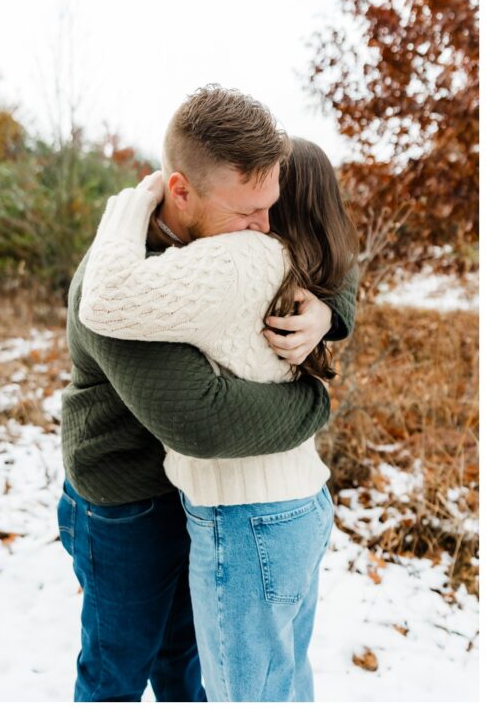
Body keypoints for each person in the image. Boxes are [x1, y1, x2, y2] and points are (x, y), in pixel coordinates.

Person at [58, 86, 358, 702]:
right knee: (115, 671)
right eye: (248, 213)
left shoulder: (233, 219)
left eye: (268, 206)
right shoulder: (118, 281)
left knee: (189, 669)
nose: (264, 229)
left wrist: (329, 312)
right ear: (181, 191)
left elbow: (317, 232)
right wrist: (315, 403)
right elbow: (204, 424)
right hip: (127, 503)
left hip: (200, 498)